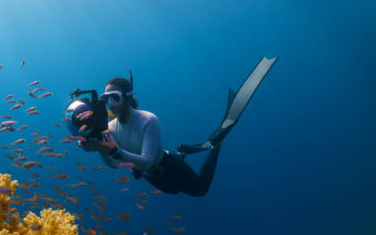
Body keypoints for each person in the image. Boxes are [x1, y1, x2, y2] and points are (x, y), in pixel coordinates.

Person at [78, 58, 277, 197]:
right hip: (150, 177)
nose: (110, 104)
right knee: (174, 191)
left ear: (128, 97)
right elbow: (113, 165)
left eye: (115, 97)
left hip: (167, 165)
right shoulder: (110, 128)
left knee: (200, 191)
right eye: (105, 99)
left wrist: (116, 152)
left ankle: (216, 145)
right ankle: (183, 153)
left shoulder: (148, 120)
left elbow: (146, 161)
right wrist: (100, 150)